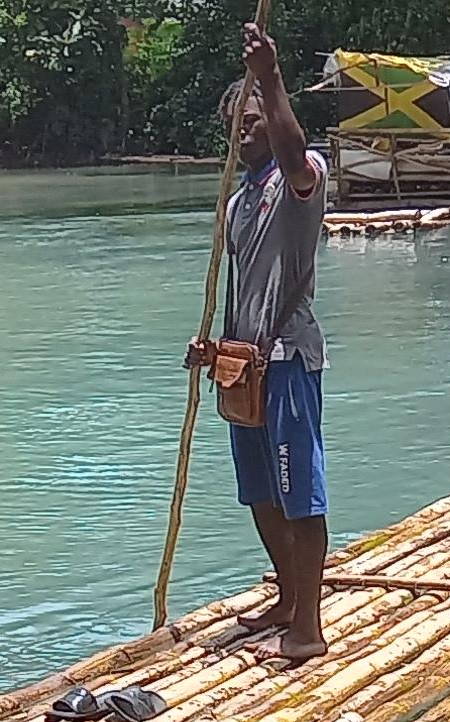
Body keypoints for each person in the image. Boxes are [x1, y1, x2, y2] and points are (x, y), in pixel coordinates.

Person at [185, 22, 331, 664]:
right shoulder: (237, 200)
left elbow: (295, 151)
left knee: (299, 491)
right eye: (236, 123)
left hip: (288, 358)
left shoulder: (297, 178)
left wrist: (270, 79)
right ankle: (289, 598)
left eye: (254, 120)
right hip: (245, 367)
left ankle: (310, 626)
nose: (245, 131)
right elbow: (242, 290)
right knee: (260, 493)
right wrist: (215, 351)